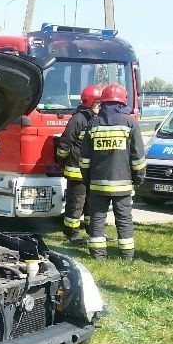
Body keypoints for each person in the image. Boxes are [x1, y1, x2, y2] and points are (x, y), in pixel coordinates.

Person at [79, 83, 146, 260]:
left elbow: (84, 158)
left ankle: (98, 255)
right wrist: (138, 179)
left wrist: (88, 180)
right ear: (122, 103)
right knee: (124, 219)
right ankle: (127, 255)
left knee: (97, 219)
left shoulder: (93, 123)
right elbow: (137, 156)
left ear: (103, 102)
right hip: (122, 184)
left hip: (98, 183)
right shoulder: (129, 123)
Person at [56, 84, 102, 244]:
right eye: (97, 103)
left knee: (91, 202)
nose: (100, 106)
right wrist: (62, 161)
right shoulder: (78, 119)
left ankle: (91, 229)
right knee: (76, 203)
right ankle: (71, 231)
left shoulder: (97, 119)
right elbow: (64, 143)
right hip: (76, 169)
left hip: (90, 170)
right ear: (88, 102)